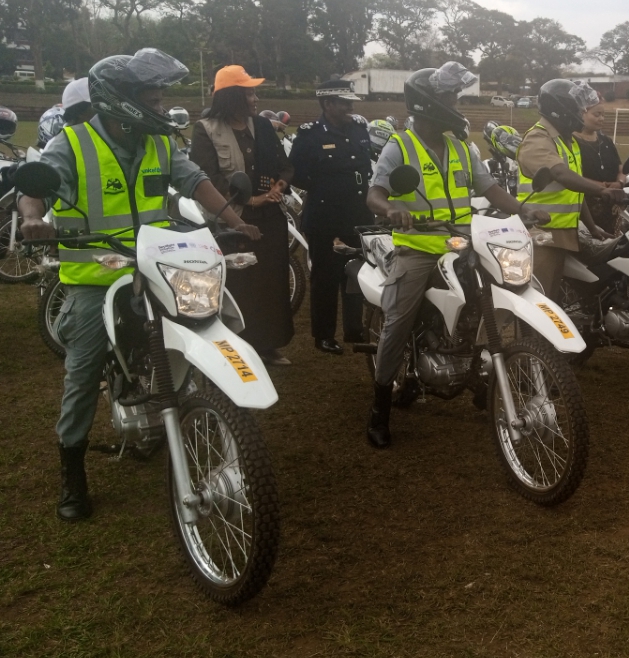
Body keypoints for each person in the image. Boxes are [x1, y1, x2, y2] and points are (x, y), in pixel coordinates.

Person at [18, 49, 259, 522]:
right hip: (94, 275)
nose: (160, 102)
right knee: (83, 371)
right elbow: (36, 188)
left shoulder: (161, 142)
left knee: (207, 320)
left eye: (161, 93)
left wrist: (236, 220)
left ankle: (210, 419)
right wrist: (31, 219)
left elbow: (194, 182)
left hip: (156, 264)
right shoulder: (72, 142)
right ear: (120, 99)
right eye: (152, 95)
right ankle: (72, 470)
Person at [364, 62, 549, 448]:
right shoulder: (399, 146)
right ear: (428, 102)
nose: (456, 102)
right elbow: (375, 194)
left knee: (499, 294)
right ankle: (381, 405)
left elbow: (491, 188)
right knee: (397, 322)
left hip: (464, 243)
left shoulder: (462, 148)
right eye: (450, 96)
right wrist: (391, 210)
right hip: (417, 247)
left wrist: (522, 209)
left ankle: (482, 375)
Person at [191, 65, 295, 365]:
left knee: (271, 281)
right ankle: (239, 347)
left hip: (269, 218)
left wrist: (278, 186)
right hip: (232, 221)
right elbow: (207, 177)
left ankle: (268, 344)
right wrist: (251, 198)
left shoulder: (261, 126)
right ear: (232, 96)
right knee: (240, 285)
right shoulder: (205, 129)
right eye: (249, 92)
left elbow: (284, 165)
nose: (255, 98)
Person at [516, 79, 622, 298]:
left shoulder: (568, 142)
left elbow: (573, 191)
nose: (581, 112)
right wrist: (601, 191)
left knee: (555, 298)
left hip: (564, 233)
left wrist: (592, 227)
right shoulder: (538, 138)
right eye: (578, 107)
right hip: (541, 233)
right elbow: (560, 174)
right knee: (539, 301)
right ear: (560, 109)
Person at [290, 80, 373, 355]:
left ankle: (354, 329)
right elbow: (297, 173)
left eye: (351, 102)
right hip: (325, 217)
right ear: (327, 104)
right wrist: (327, 185)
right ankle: (324, 335)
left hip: (359, 214)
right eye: (344, 102)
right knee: (325, 278)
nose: (351, 107)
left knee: (358, 274)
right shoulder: (310, 135)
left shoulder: (360, 129)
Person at [573, 90, 624, 236]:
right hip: (585, 212)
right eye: (597, 115)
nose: (602, 118)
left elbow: (621, 169)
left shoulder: (606, 141)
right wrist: (601, 187)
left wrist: (619, 183)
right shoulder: (571, 142)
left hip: (612, 212)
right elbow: (571, 175)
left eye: (603, 115)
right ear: (582, 113)